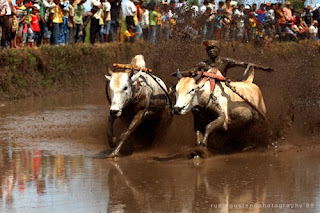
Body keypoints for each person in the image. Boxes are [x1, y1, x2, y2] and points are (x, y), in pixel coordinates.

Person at [194, 40, 272, 77]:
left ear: (218, 49)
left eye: (213, 48)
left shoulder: (225, 61)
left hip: (222, 89)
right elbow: (190, 72)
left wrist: (263, 68)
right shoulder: (202, 64)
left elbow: (244, 64)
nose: (210, 51)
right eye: (208, 49)